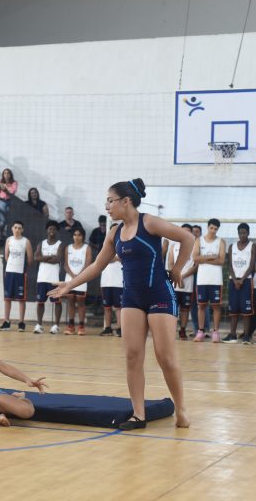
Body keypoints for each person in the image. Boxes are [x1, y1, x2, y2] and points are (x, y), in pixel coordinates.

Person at [49, 178, 192, 430]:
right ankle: (138, 414)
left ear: (126, 201)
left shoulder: (149, 222)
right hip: (132, 298)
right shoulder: (114, 233)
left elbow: (187, 238)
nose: (107, 206)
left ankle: (181, 410)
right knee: (132, 356)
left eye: (110, 201)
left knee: (165, 357)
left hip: (159, 294)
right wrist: (69, 285)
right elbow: (97, 266)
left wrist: (178, 268)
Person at [192, 218, 226, 343]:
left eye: (215, 229)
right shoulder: (199, 240)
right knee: (201, 306)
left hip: (216, 280)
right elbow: (195, 258)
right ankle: (201, 331)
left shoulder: (221, 241)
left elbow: (221, 260)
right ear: (207, 227)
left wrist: (203, 259)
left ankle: (215, 332)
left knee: (216, 307)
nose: (213, 231)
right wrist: (211, 256)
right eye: (211, 228)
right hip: (202, 279)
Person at [224, 223, 256, 343]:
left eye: (244, 233)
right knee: (233, 310)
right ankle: (232, 334)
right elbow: (230, 265)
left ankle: (246, 335)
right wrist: (234, 280)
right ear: (238, 234)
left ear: (248, 233)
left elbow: (252, 265)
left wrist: (242, 280)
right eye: (240, 233)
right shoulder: (232, 247)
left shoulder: (253, 246)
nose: (242, 235)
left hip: (246, 281)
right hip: (233, 281)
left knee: (246, 311)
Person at [0, 221, 33, 331]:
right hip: (9, 272)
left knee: (21, 299)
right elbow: (6, 256)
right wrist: (12, 265)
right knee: (7, 298)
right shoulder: (9, 240)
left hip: (20, 273)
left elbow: (30, 259)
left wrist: (22, 268)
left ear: (22, 230)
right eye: (15, 227)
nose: (17, 229)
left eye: (19, 228)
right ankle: (6, 321)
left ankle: (21, 322)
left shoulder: (26, 241)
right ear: (12, 229)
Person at [167, 224, 196, 340]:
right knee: (172, 308)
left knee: (185, 309)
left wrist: (182, 277)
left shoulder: (194, 246)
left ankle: (182, 329)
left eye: (188, 231)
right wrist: (175, 276)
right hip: (174, 283)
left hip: (187, 283)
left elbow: (195, 266)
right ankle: (171, 330)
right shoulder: (173, 246)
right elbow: (170, 263)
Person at [34, 221, 63, 334]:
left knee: (57, 302)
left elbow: (57, 259)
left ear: (57, 231)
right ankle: (39, 325)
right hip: (42, 278)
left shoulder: (60, 244)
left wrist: (43, 258)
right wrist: (50, 257)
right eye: (50, 229)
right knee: (40, 302)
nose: (52, 231)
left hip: (54, 279)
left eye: (54, 229)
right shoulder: (41, 244)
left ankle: (56, 325)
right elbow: (36, 258)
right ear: (47, 230)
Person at [63, 227, 92, 335]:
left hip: (82, 278)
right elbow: (66, 265)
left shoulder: (87, 248)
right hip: (70, 278)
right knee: (70, 300)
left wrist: (79, 276)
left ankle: (81, 326)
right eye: (75, 235)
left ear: (83, 236)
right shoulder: (68, 248)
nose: (77, 237)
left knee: (80, 301)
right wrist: (72, 275)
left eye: (79, 235)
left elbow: (88, 264)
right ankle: (71, 326)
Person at [99, 224, 125, 337]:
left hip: (119, 282)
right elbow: (102, 260)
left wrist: (113, 258)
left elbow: (124, 258)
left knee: (119, 307)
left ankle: (120, 328)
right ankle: (108, 328)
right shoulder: (106, 245)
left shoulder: (124, 244)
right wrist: (115, 258)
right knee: (107, 307)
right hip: (106, 281)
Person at [0, 168, 18, 233]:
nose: (6, 174)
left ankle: (2, 231)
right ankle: (0, 231)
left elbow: (12, 191)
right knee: (2, 218)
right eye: (5, 173)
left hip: (10, 201)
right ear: (3, 175)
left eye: (8, 173)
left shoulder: (14, 183)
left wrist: (5, 186)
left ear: (10, 174)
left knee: (8, 217)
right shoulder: (0, 182)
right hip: (2, 201)